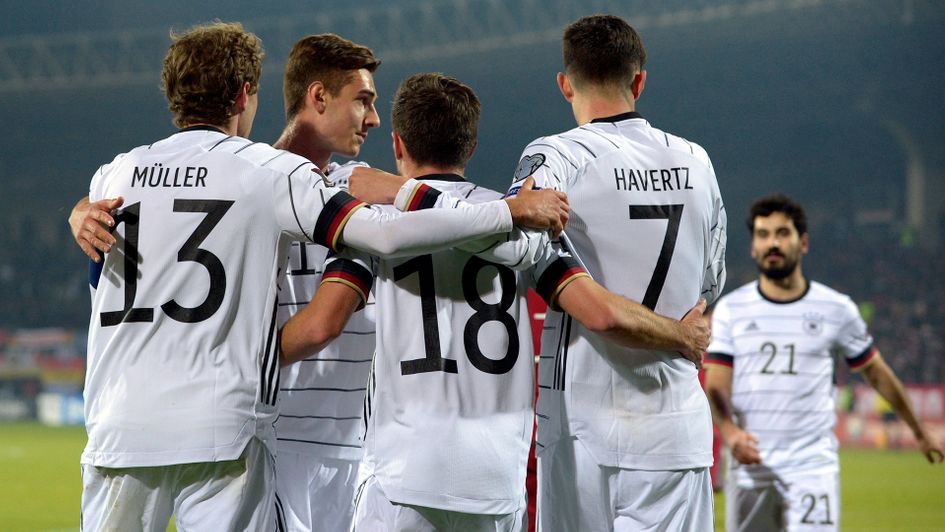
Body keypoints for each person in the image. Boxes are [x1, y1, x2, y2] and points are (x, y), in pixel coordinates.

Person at [76, 22, 569, 531]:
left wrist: (80, 212)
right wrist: (509, 211)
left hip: (307, 437)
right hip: (256, 427)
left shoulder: (119, 174)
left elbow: (103, 277)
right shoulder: (273, 177)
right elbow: (356, 275)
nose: (373, 119)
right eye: (363, 100)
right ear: (250, 93)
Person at [281, 72, 714, 531]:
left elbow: (321, 325)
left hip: (403, 477)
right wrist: (680, 334)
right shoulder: (524, 223)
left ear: (397, 145)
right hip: (495, 486)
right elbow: (600, 312)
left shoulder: (375, 225)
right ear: (470, 149)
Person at [502, 15, 725, 531]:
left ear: (565, 84)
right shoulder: (698, 160)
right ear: (640, 80)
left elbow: (519, 241)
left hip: (579, 423)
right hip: (673, 424)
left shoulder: (556, 154)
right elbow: (711, 280)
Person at [704, 193, 944, 531]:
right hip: (750, 465)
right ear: (753, 248)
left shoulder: (837, 309)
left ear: (802, 243)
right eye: (763, 234)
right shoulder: (731, 309)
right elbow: (716, 384)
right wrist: (729, 433)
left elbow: (876, 374)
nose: (772, 243)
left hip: (811, 468)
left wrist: (919, 431)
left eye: (782, 233)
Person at [269, 34, 381, 532]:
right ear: (318, 97)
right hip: (272, 442)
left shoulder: (364, 187)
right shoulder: (249, 183)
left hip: (359, 448)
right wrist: (83, 213)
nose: (374, 119)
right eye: (363, 100)